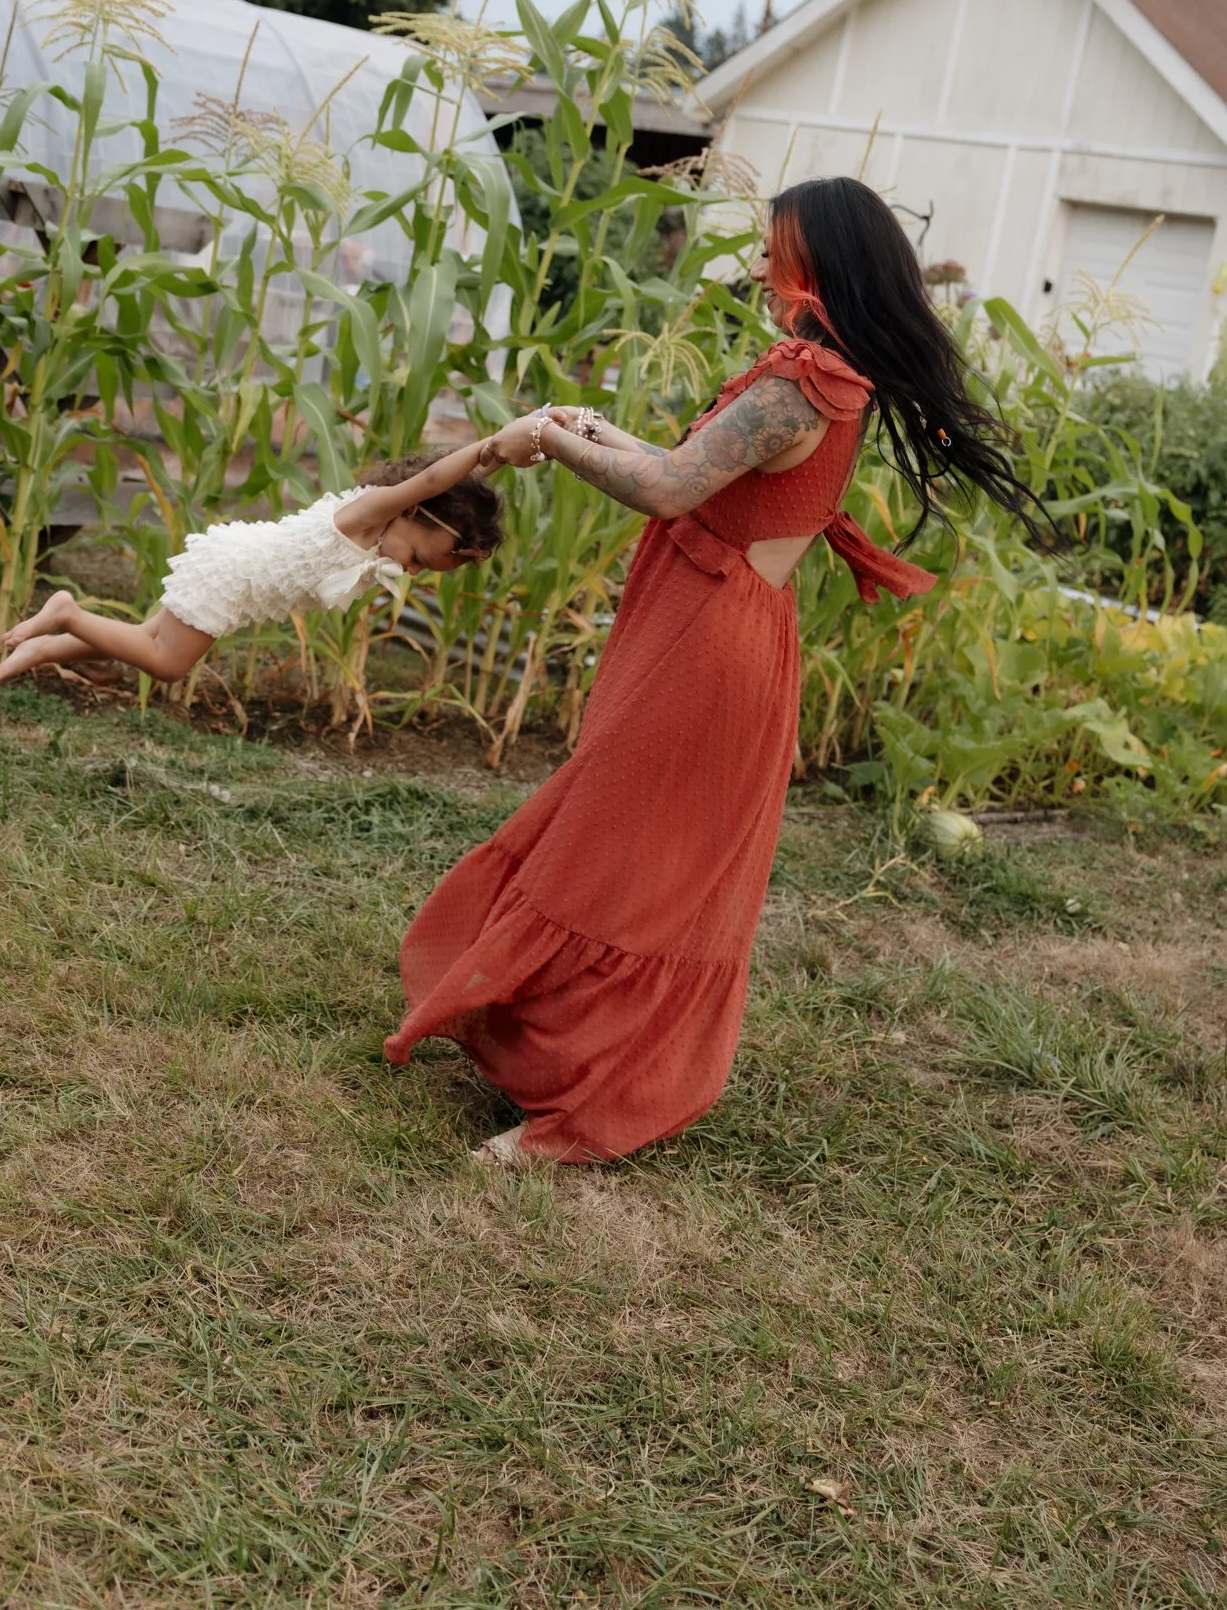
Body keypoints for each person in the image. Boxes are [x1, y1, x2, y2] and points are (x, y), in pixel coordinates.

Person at [385, 176, 1054, 1167]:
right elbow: (689, 465)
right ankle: (550, 1059)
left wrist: (545, 441)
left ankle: (579, 1113)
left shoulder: (801, 384)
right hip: (707, 623)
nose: (755, 266)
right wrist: (594, 429)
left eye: (773, 250)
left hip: (709, 645)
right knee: (615, 846)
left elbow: (665, 490)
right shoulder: (817, 375)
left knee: (631, 862)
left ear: (816, 263)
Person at [0, 443, 502, 688]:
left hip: (235, 567)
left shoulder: (396, 524)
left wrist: (500, 459)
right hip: (233, 574)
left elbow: (450, 490)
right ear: (410, 510)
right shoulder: (370, 513)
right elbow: (436, 482)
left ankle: (48, 645)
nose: (410, 572)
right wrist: (493, 442)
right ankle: (67, 613)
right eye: (418, 559)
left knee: (142, 637)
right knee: (167, 664)